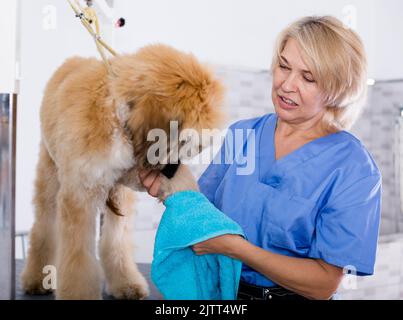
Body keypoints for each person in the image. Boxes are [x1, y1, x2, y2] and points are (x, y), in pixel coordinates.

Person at [139, 16, 382, 300]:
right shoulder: (243, 134)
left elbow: (324, 284)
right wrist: (168, 187)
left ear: (337, 88)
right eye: (283, 66)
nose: (287, 85)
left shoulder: (353, 167)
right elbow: (203, 209)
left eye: (308, 77)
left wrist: (235, 248)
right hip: (227, 293)